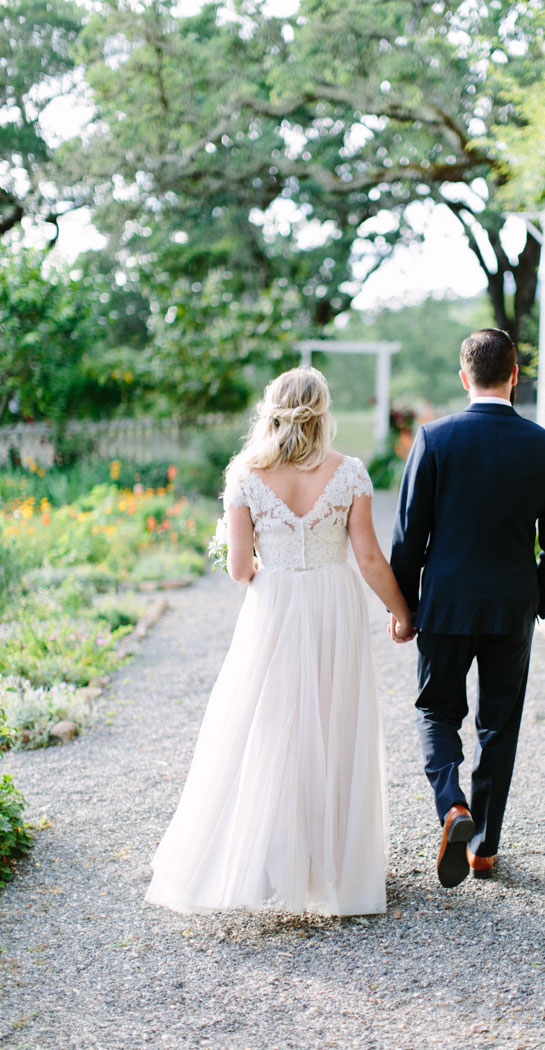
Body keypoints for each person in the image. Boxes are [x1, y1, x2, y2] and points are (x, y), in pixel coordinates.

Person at [144, 366, 414, 917]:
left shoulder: (245, 475)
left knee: (270, 726)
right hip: (334, 607)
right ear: (323, 412)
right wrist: (401, 611)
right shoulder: (351, 473)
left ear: (272, 408)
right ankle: (332, 873)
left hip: (275, 608)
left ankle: (272, 863)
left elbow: (241, 571)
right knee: (334, 725)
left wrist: (251, 551)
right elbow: (367, 557)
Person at [389, 329, 545, 887]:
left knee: (436, 712)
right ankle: (486, 850)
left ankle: (452, 806)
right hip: (510, 609)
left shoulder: (434, 439)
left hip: (444, 607)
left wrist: (406, 606)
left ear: (464, 376)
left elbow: (408, 538)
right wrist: (539, 596)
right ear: (515, 376)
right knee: (500, 725)